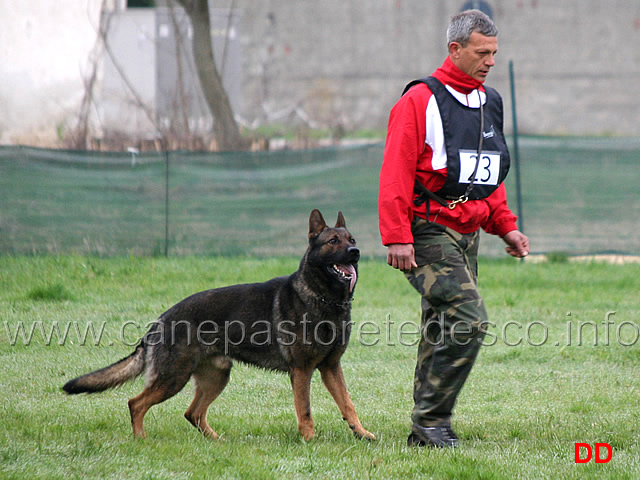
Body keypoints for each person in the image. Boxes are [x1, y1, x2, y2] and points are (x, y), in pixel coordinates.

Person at [378, 9, 529, 448]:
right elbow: (395, 173)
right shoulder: (419, 100)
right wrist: (398, 237)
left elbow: (486, 175)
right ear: (455, 49)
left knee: (442, 326)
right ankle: (432, 421)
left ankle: (423, 430)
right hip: (426, 230)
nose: (490, 61)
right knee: (469, 320)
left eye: (494, 53)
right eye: (482, 53)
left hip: (468, 233)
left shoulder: (490, 101)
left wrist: (506, 227)